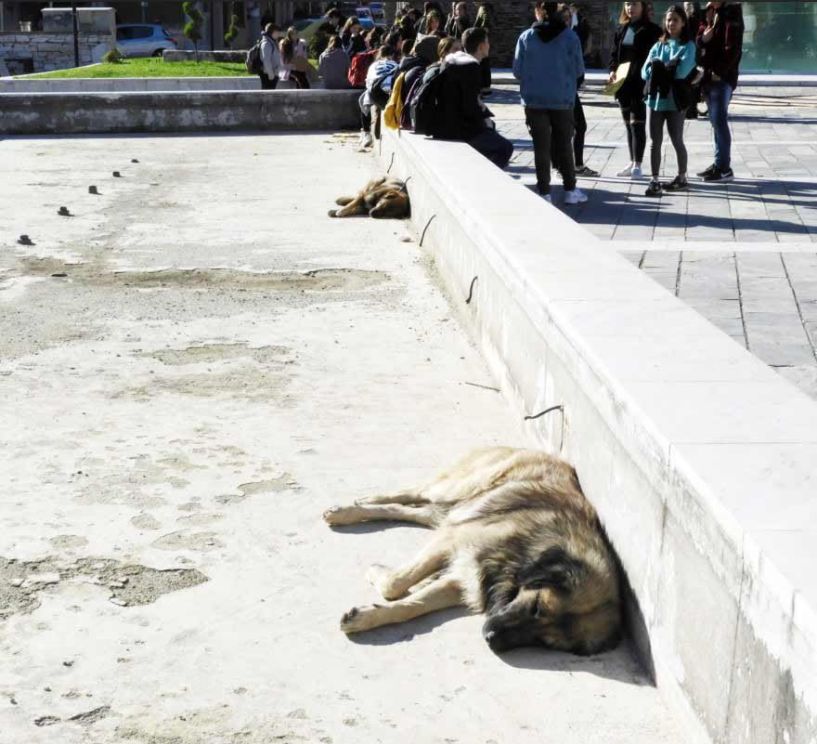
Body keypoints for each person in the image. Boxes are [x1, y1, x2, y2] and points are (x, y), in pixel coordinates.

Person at [514, 2, 587, 204]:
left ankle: (544, 191)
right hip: (562, 99)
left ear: (539, 12)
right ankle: (570, 189)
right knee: (564, 144)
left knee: (541, 147)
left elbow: (517, 71)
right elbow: (579, 70)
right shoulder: (570, 37)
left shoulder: (526, 37)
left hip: (534, 99)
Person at [434, 27, 513, 169]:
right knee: (505, 148)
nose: (489, 45)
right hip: (458, 130)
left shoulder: (453, 62)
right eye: (487, 42)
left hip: (445, 124)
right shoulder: (470, 67)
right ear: (481, 46)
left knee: (492, 130)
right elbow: (468, 107)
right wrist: (483, 118)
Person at [641, 4, 697, 196]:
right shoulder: (658, 44)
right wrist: (666, 67)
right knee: (654, 142)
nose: (671, 23)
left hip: (675, 101)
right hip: (655, 100)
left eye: (675, 20)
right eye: (668, 19)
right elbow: (644, 72)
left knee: (677, 140)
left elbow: (681, 73)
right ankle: (654, 179)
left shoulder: (688, 46)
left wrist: (658, 68)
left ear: (683, 23)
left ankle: (682, 177)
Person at [608, 1, 661, 179]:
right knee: (627, 125)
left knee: (637, 123)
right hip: (622, 82)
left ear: (643, 6)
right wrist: (612, 71)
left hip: (640, 82)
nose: (631, 8)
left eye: (635, 4)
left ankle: (638, 164)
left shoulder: (652, 30)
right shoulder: (622, 28)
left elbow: (656, 56)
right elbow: (615, 54)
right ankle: (632, 162)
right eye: (628, 4)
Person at [696, 1, 744, 182]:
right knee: (716, 123)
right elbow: (698, 38)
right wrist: (703, 38)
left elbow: (733, 49)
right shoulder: (710, 12)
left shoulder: (731, 14)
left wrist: (718, 72)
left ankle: (724, 168)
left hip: (720, 78)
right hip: (708, 76)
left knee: (719, 121)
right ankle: (719, 163)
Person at [559, 3, 598, 177]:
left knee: (573, 127)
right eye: (564, 18)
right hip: (565, 89)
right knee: (575, 126)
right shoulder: (567, 37)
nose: (568, 21)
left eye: (569, 17)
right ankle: (571, 165)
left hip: (566, 88)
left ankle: (571, 164)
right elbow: (577, 69)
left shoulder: (567, 35)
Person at [358, 44, 400, 149]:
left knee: (363, 99)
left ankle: (366, 133)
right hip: (391, 97)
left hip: (376, 96)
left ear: (379, 54)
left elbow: (368, 83)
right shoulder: (395, 64)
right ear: (392, 55)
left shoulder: (373, 65)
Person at [475, 3, 493, 95]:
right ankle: (486, 86)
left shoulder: (483, 8)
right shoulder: (485, 7)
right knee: (484, 62)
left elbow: (486, 22)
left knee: (483, 62)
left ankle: (485, 86)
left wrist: (481, 34)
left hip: (481, 40)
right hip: (483, 39)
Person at [259, 23, 282, 90]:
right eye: (277, 32)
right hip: (268, 75)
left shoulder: (272, 42)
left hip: (273, 74)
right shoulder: (266, 43)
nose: (278, 34)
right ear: (272, 32)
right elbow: (266, 60)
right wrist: (271, 74)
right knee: (267, 95)